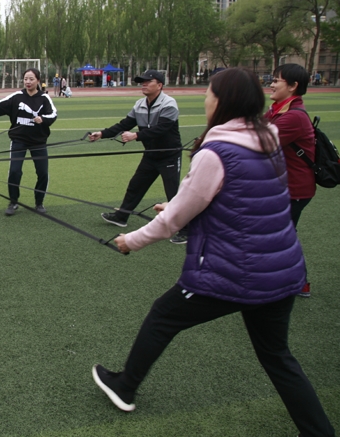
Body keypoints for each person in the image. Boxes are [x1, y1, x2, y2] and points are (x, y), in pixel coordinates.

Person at [92, 68, 335, 437]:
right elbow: (241, 196)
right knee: (277, 357)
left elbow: (173, 221)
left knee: (163, 315)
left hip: (237, 271)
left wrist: (131, 241)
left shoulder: (216, 152)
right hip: (282, 268)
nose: (205, 99)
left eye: (209, 93)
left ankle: (125, 386)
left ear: (224, 102)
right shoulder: (268, 138)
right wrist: (182, 204)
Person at [89, 69, 187, 244]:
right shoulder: (140, 104)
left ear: (160, 85)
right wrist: (102, 134)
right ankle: (121, 216)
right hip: (150, 155)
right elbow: (125, 124)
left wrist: (136, 135)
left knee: (173, 193)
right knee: (136, 185)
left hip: (169, 156)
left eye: (148, 81)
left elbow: (161, 129)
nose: (143, 84)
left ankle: (186, 230)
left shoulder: (169, 104)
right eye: (142, 81)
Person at [0, 68, 58, 215]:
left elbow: (53, 114)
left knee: (43, 173)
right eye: (25, 79)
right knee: (14, 171)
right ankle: (13, 202)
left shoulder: (44, 98)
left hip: (38, 142)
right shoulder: (17, 97)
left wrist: (42, 119)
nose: (28, 82)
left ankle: (39, 203)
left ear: (38, 80)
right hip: (19, 141)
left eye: (31, 79)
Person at [264, 64, 315, 298]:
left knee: (282, 236)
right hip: (284, 187)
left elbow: (260, 142)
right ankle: (295, 281)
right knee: (281, 235)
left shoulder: (293, 117)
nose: (272, 84)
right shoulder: (278, 110)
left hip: (294, 188)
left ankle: (298, 282)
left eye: (277, 80)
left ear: (293, 86)